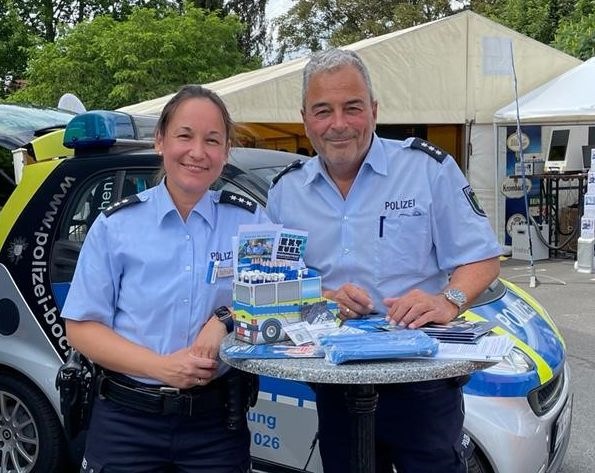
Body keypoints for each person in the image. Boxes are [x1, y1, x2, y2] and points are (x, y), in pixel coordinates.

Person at [266, 49, 501, 473]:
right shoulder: (286, 192)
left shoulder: (428, 169)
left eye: (352, 108)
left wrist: (448, 300)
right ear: (305, 119)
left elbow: (482, 258)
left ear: (373, 110)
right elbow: (275, 284)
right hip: (335, 382)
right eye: (323, 111)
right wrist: (319, 296)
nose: (338, 124)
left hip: (422, 383)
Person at [62, 85, 269, 473]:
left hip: (215, 424)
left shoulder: (251, 222)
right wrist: (161, 367)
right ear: (161, 141)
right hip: (127, 420)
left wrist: (224, 321)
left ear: (225, 153)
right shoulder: (115, 226)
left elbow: (277, 301)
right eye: (184, 136)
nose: (197, 152)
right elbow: (82, 328)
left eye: (212, 140)